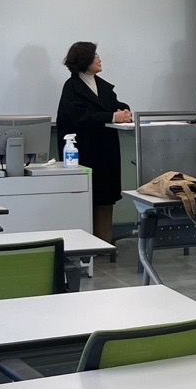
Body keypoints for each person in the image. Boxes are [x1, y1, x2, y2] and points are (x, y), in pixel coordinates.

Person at [56, 41, 132, 241]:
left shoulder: (103, 85)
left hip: (106, 151)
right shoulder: (72, 87)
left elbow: (113, 104)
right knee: (85, 198)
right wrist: (113, 116)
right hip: (84, 152)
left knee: (105, 199)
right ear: (84, 60)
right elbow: (80, 117)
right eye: (95, 56)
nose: (99, 59)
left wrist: (124, 111)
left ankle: (104, 243)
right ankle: (86, 244)